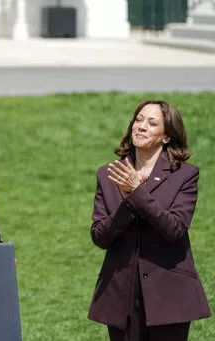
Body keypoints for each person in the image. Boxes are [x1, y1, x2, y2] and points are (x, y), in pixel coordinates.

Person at [87, 99, 211, 341]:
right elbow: (99, 236)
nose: (141, 126)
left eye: (152, 123)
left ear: (166, 136)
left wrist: (137, 193)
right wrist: (128, 203)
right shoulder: (108, 174)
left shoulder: (185, 175)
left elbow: (174, 229)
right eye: (138, 119)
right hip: (122, 293)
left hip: (169, 294)